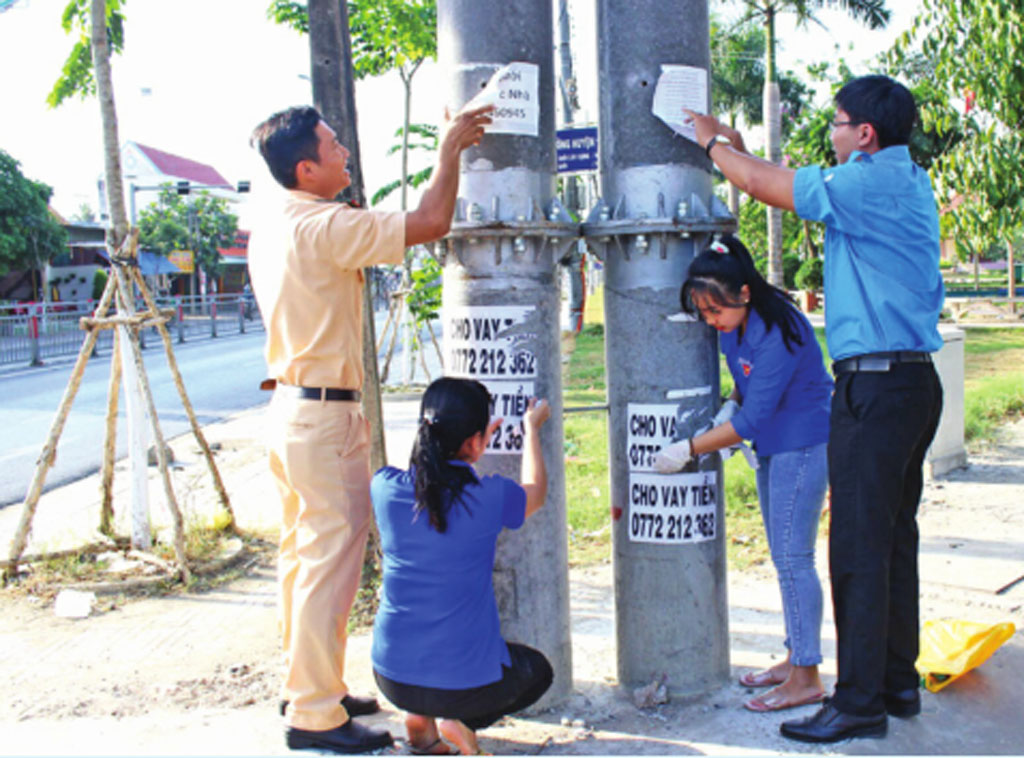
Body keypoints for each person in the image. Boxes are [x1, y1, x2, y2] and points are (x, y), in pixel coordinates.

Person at [687, 74, 944, 743]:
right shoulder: (903, 181)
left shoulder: (865, 182)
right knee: (892, 542)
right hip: (911, 385)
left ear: (865, 134)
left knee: (857, 548)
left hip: (878, 388)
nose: (828, 134)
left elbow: (771, 187)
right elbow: (774, 176)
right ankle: (895, 683)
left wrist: (713, 143)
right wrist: (742, 155)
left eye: (836, 122)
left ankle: (858, 703)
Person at [247, 102, 493, 754]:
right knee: (329, 565)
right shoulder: (323, 225)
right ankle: (313, 715)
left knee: (303, 560)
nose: (346, 154)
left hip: (294, 410)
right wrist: (450, 150)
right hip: (322, 417)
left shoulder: (276, 219)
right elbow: (433, 222)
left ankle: (312, 685)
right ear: (306, 166)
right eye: (333, 147)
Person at [653, 234, 832, 714]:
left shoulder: (780, 329)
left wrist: (688, 448)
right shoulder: (736, 323)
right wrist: (730, 400)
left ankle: (808, 677)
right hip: (774, 443)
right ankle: (795, 658)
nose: (711, 322)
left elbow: (751, 420)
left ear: (744, 294)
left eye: (716, 312)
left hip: (802, 443)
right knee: (783, 557)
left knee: (796, 559)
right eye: (704, 313)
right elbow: (746, 384)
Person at [370, 378, 554, 756]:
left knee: (426, 668)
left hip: (391, 676)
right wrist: (530, 429)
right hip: (464, 686)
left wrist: (465, 445)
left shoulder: (385, 488)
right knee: (538, 671)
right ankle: (460, 722)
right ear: (474, 442)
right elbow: (535, 489)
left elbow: (431, 485)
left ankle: (420, 723)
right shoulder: (489, 497)